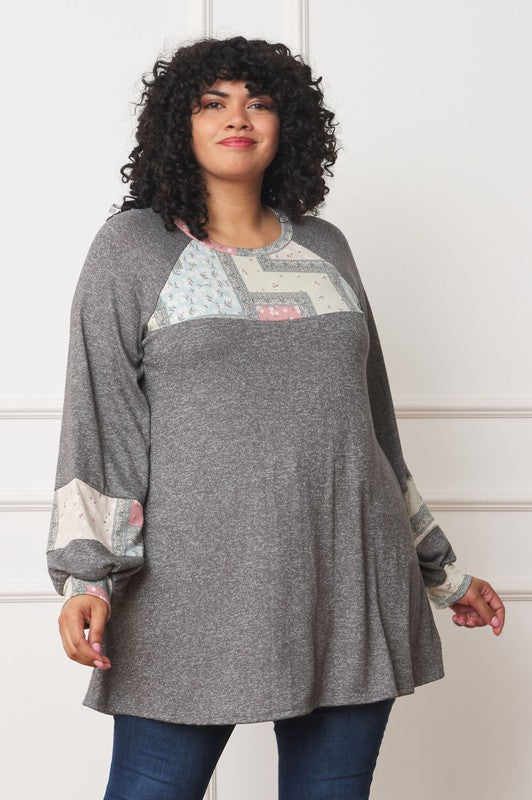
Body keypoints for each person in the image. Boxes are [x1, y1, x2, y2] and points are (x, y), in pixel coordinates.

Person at [45, 35, 505, 800]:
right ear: (178, 124)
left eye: (258, 103)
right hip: (190, 589)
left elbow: (372, 430)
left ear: (288, 124)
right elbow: (102, 421)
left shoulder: (328, 249)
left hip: (347, 577)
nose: (238, 118)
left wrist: (442, 572)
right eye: (213, 103)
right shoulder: (132, 249)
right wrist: (87, 579)